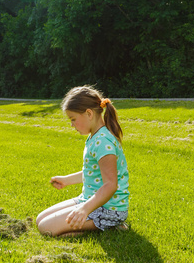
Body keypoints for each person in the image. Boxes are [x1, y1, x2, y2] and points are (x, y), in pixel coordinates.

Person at [36, 85, 129, 237]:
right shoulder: (94, 137)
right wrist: (66, 180)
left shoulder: (104, 142)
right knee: (40, 219)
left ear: (89, 113)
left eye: (73, 119)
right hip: (90, 200)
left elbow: (110, 185)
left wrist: (85, 209)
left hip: (110, 209)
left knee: (47, 228)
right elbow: (93, 173)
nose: (71, 124)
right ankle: (90, 222)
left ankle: (111, 224)